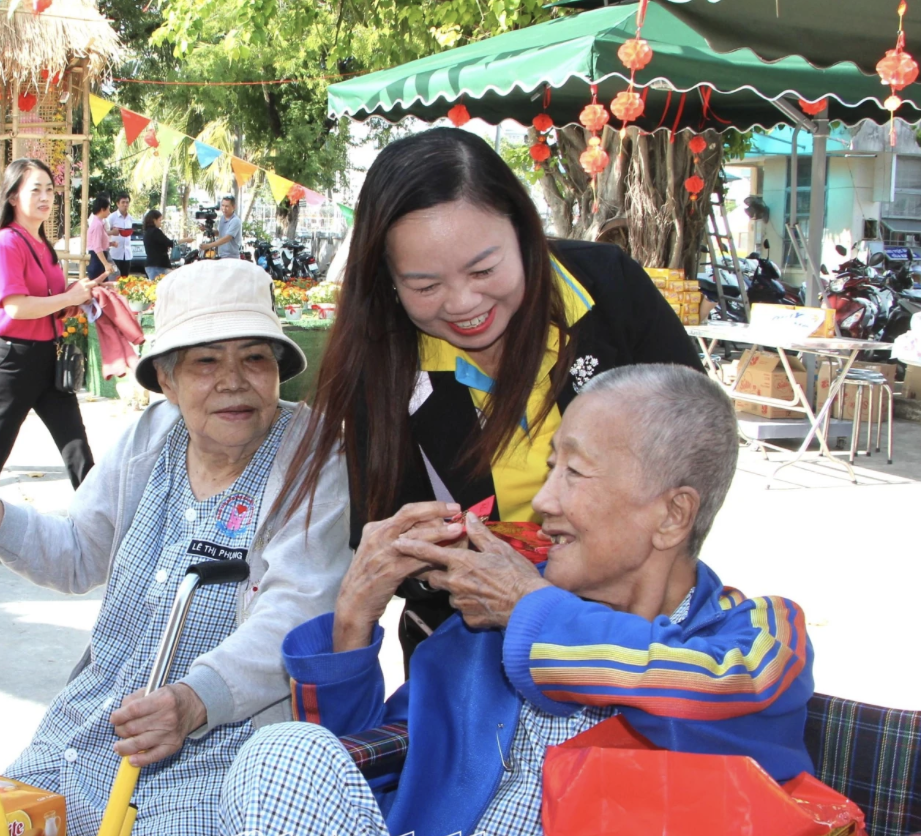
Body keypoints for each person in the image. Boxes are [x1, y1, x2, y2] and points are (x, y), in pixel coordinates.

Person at [220, 364, 814, 836]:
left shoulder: (758, 636)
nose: (543, 502)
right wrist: (354, 615)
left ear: (672, 515)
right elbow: (357, 768)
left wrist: (527, 607)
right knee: (283, 754)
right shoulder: (485, 633)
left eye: (574, 474)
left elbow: (719, 685)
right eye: (550, 466)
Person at [0, 260, 352, 836]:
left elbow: (297, 609)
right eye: (205, 361)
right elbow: (77, 552)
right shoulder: (153, 436)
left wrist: (195, 700)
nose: (234, 380)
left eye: (255, 357)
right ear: (167, 381)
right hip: (86, 732)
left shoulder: (312, 452)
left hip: (215, 755)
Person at [276, 127, 703, 664]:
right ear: (386, 278)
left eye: (484, 269)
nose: (463, 303)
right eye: (425, 286)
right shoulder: (381, 363)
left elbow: (698, 450)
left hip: (636, 639)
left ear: (524, 232)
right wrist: (435, 566)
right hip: (469, 664)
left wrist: (558, 596)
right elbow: (378, 527)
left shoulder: (607, 291)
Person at [0, 158, 97, 565]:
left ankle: (101, 529)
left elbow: (47, 306)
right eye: (34, 189)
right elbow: (17, 307)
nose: (44, 198)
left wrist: (76, 302)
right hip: (11, 360)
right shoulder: (5, 241)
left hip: (48, 358)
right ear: (14, 195)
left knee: (77, 447)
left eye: (48, 191)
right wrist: (68, 299)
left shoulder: (43, 246)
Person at [86, 197, 118, 281]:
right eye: (108, 209)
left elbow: (99, 242)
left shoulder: (100, 222)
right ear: (102, 209)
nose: (109, 212)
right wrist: (106, 264)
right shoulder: (97, 224)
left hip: (100, 258)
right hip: (97, 260)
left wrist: (110, 244)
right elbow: (97, 247)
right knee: (99, 289)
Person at [142, 209, 177, 280]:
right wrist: (185, 240)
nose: (161, 223)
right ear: (154, 220)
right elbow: (169, 243)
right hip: (158, 265)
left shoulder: (147, 232)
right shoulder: (155, 232)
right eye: (160, 220)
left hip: (151, 264)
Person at [108, 194, 136, 277]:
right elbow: (105, 232)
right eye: (123, 202)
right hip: (115, 254)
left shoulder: (130, 218)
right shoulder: (112, 217)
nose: (125, 205)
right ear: (117, 204)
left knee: (125, 279)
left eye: (127, 202)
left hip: (127, 254)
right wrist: (113, 232)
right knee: (114, 278)